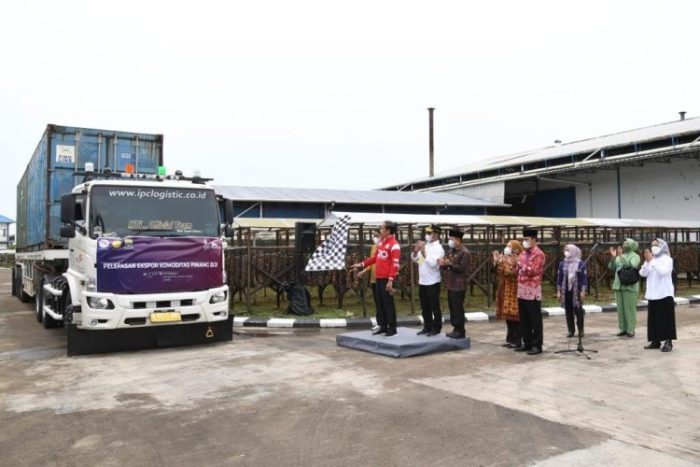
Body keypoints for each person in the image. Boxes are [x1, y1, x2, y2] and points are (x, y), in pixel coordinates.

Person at [350, 221, 400, 337]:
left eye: (382, 229)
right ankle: (383, 326)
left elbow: (395, 264)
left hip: (387, 278)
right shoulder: (381, 243)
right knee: (380, 303)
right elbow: (374, 259)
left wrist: (391, 280)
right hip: (378, 278)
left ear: (388, 231)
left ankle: (392, 329)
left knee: (388, 304)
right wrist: (361, 264)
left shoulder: (394, 245)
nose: (380, 231)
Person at [640, 238, 676, 352]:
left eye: (656, 245)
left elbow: (663, 272)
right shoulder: (651, 260)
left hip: (664, 293)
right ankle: (655, 341)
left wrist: (652, 261)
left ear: (662, 246)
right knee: (654, 319)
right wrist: (647, 261)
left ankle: (668, 341)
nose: (653, 247)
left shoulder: (667, 259)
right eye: (652, 245)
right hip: (653, 294)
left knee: (666, 319)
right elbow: (642, 273)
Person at [515, 228, 546, 355]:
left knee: (535, 319)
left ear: (534, 240)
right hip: (521, 290)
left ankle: (537, 345)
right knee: (524, 319)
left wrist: (521, 266)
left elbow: (533, 271)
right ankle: (526, 342)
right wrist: (514, 265)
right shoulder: (522, 254)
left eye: (527, 239)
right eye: (524, 239)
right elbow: (518, 270)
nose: (525, 242)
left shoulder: (539, 254)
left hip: (532, 291)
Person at [412, 225, 445, 336]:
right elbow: (419, 261)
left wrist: (424, 252)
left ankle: (436, 328)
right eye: (427, 233)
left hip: (433, 281)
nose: (427, 235)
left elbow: (433, 265)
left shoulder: (438, 248)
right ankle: (427, 326)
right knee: (425, 307)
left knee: (434, 306)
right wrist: (416, 252)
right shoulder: (427, 245)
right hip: (423, 280)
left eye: (430, 233)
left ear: (436, 234)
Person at [439, 229, 470, 339]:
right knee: (453, 308)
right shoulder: (451, 251)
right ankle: (455, 329)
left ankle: (460, 330)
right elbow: (446, 263)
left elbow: (461, 268)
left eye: (451, 239)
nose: (450, 241)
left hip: (458, 285)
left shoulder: (465, 252)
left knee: (458, 308)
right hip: (450, 284)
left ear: (458, 240)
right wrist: (443, 264)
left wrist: (449, 264)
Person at [608, 238, 641, 337]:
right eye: (624, 243)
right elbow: (612, 267)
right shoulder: (619, 256)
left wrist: (621, 255)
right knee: (621, 309)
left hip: (629, 286)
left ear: (632, 245)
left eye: (627, 243)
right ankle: (622, 328)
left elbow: (631, 265)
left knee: (629, 309)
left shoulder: (635, 256)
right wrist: (613, 257)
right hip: (619, 285)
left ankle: (630, 329)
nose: (624, 244)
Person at [493, 240, 522, 348]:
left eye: (510, 246)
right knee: (508, 318)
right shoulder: (505, 258)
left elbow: (513, 274)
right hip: (504, 290)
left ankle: (517, 340)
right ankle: (510, 339)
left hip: (514, 291)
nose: (507, 248)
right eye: (507, 246)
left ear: (516, 249)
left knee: (515, 317)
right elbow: (498, 272)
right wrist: (497, 262)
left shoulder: (519, 259)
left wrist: (511, 264)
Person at [556, 244, 588, 338]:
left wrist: (582, 291)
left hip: (576, 291)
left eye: (568, 250)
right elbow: (559, 278)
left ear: (573, 251)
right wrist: (558, 291)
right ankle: (571, 330)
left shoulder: (580, 263)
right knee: (568, 311)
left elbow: (583, 278)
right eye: (565, 250)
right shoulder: (563, 263)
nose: (566, 252)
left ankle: (581, 330)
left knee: (578, 311)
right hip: (566, 291)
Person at [357, 232, 379, 329]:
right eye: (374, 236)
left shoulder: (385, 247)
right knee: (377, 302)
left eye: (377, 236)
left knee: (382, 302)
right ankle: (379, 323)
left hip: (382, 278)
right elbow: (372, 261)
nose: (375, 238)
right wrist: (364, 271)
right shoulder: (374, 247)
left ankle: (384, 323)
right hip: (374, 278)